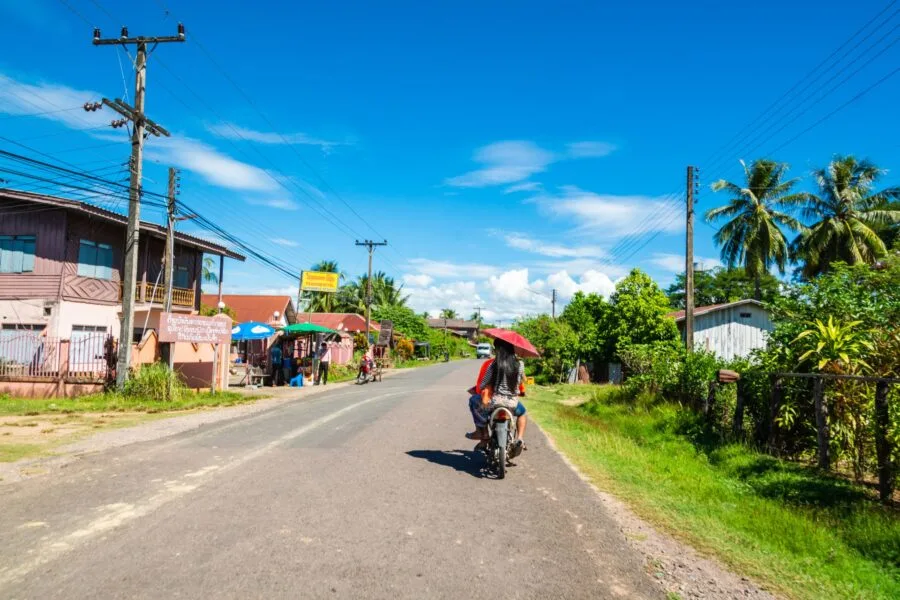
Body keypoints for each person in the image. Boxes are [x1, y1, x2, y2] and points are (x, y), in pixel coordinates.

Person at [466, 339, 527, 457]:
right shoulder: (520, 364)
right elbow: (518, 384)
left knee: (473, 401)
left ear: (498, 350)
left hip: (495, 402)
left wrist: (487, 386)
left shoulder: (493, 364)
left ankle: (482, 431)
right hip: (512, 403)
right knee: (523, 413)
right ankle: (520, 439)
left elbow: (483, 384)